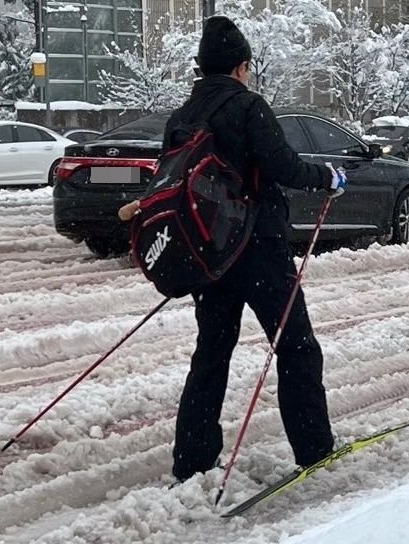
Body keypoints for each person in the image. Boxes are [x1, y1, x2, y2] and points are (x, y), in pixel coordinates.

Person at [120, 16, 346, 482]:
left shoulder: (182, 116)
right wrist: (328, 178)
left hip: (209, 253)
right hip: (259, 248)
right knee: (295, 346)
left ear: (202, 68)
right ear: (242, 66)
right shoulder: (248, 106)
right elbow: (282, 166)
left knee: (211, 352)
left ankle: (193, 461)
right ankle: (314, 449)